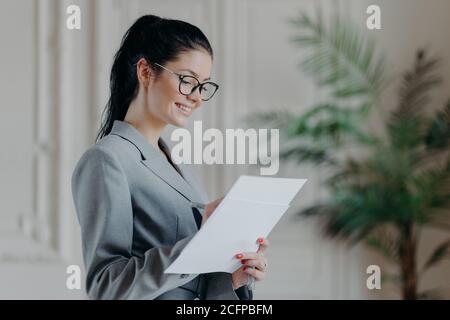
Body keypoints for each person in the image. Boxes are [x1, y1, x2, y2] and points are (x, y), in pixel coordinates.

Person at [71, 14, 269, 300]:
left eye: (203, 86)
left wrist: (234, 279)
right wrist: (200, 246)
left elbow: (194, 287)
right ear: (146, 72)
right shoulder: (107, 160)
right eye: (188, 81)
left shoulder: (181, 166)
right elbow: (106, 287)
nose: (197, 97)